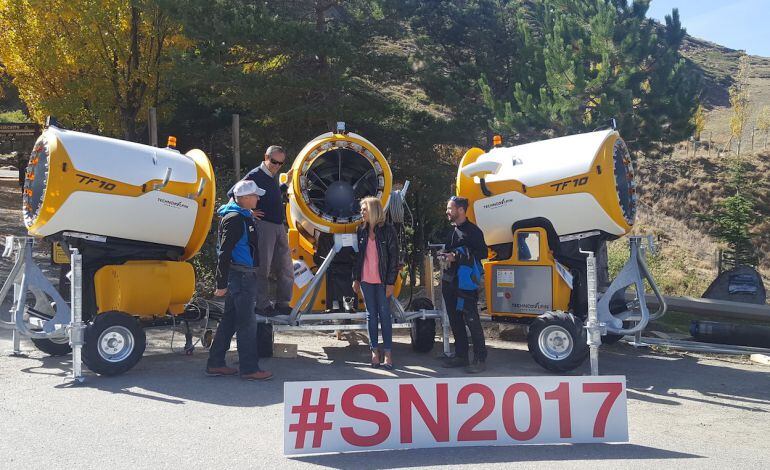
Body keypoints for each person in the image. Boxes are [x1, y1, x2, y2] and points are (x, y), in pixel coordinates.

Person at [206, 180, 273, 381]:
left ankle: (216, 363)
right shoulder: (235, 218)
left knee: (229, 321)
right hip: (242, 276)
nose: (258, 198)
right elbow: (224, 252)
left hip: (242, 275)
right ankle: (249, 368)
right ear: (243, 198)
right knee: (247, 324)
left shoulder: (240, 215)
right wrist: (221, 283)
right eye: (254, 195)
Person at [231, 145, 295, 316]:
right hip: (264, 226)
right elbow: (233, 194)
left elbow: (270, 196)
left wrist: (284, 184)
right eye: (274, 161)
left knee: (286, 266)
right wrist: (249, 212)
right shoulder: (254, 176)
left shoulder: (271, 176)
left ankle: (283, 303)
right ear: (266, 157)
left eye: (280, 163)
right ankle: (262, 304)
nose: (277, 166)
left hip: (279, 226)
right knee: (263, 267)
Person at [441, 196, 488, 373]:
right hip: (449, 281)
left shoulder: (474, 231)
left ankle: (480, 358)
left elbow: (482, 253)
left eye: (450, 208)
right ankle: (461, 356)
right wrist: (445, 256)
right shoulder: (451, 232)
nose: (447, 211)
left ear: (460, 210)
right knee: (455, 320)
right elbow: (448, 252)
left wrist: (459, 256)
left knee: (471, 320)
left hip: (466, 284)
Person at [352, 197, 399, 369]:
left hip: (382, 280)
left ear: (373, 210)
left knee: (384, 315)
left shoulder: (388, 230)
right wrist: (356, 278)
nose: (361, 212)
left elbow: (394, 258)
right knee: (371, 316)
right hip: (366, 279)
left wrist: (391, 282)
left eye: (364, 209)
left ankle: (388, 352)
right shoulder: (361, 230)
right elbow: (358, 257)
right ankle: (374, 351)